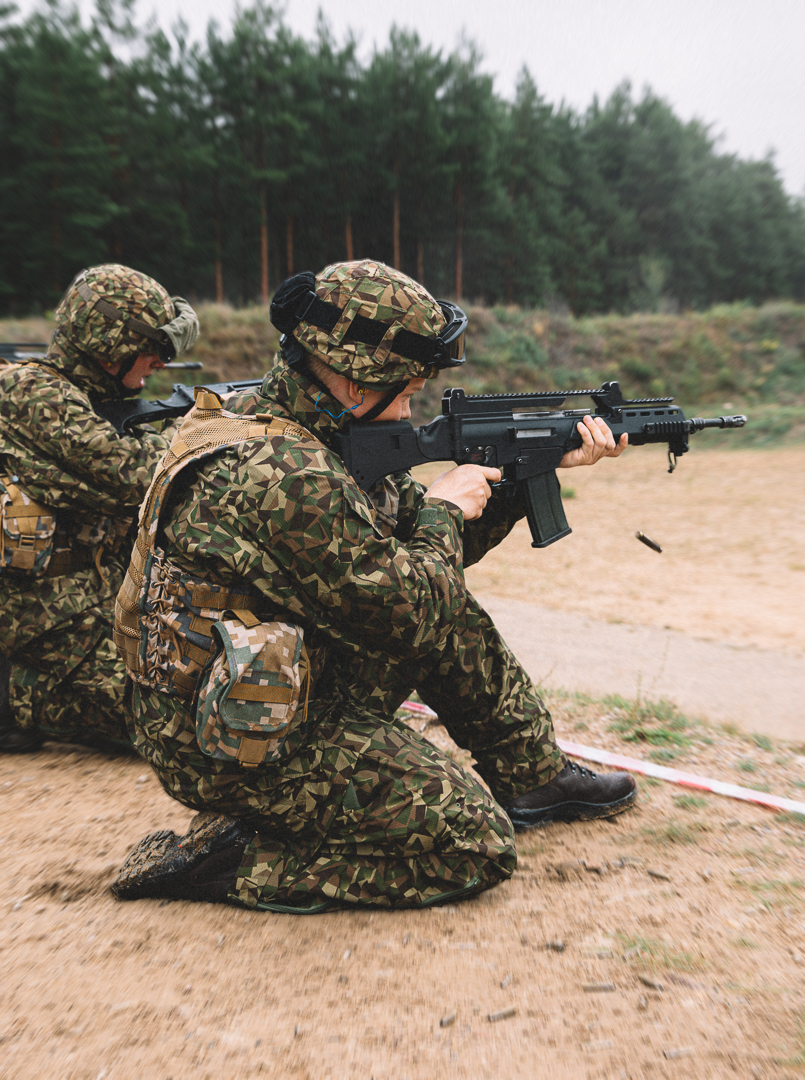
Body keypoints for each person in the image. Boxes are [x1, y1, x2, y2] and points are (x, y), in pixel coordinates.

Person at [111, 259, 635, 912]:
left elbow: (410, 560)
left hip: (261, 685)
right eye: (408, 390)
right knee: (470, 842)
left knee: (447, 607)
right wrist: (445, 507)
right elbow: (408, 606)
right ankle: (232, 859)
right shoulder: (284, 473)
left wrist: (517, 479)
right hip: (230, 740)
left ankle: (533, 777)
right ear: (359, 382)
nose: (413, 409)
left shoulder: (299, 426)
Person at [0, 263, 199, 753]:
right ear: (110, 348)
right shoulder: (30, 394)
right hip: (45, 626)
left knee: (237, 690)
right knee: (188, 727)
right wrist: (201, 429)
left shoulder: (95, 401)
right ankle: (19, 696)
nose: (159, 364)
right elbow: (139, 478)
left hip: (101, 611)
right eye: (152, 350)